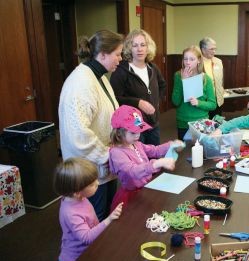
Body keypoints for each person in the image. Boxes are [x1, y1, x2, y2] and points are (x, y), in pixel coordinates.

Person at [58, 30, 123, 221]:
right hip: (90, 170)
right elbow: (77, 134)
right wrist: (108, 155)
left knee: (106, 214)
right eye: (117, 54)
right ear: (102, 54)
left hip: (105, 164)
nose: (120, 59)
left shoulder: (99, 76)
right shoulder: (80, 83)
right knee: (95, 219)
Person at [109, 105, 183, 210]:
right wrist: (157, 163)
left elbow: (155, 150)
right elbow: (132, 171)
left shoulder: (137, 144)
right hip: (131, 196)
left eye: (139, 130)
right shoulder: (116, 153)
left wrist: (171, 145)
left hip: (146, 188)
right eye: (133, 132)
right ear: (119, 133)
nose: (137, 135)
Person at [54, 157, 123, 261]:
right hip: (76, 259)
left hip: (89, 251)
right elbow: (87, 237)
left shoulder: (79, 197)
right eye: (91, 184)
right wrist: (108, 220)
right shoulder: (71, 213)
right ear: (77, 192)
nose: (97, 183)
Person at [110, 29, 166, 145]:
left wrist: (157, 102)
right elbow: (115, 98)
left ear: (148, 48)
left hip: (153, 123)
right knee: (138, 160)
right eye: (135, 45)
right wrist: (138, 102)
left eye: (143, 45)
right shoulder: (121, 71)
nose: (139, 49)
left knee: (154, 156)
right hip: (133, 128)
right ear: (129, 48)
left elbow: (162, 85)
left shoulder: (153, 68)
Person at [172, 45, 217, 140]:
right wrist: (183, 81)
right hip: (183, 121)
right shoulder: (178, 75)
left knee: (201, 151)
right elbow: (175, 101)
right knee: (184, 151)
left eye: (192, 59)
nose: (188, 62)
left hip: (201, 121)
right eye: (185, 59)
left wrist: (198, 103)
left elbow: (213, 104)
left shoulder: (205, 79)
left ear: (199, 60)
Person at [199, 37, 224, 118]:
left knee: (217, 123)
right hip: (204, 101)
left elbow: (221, 81)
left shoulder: (218, 62)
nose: (214, 51)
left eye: (215, 49)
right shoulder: (197, 62)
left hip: (217, 100)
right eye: (211, 49)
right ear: (203, 50)